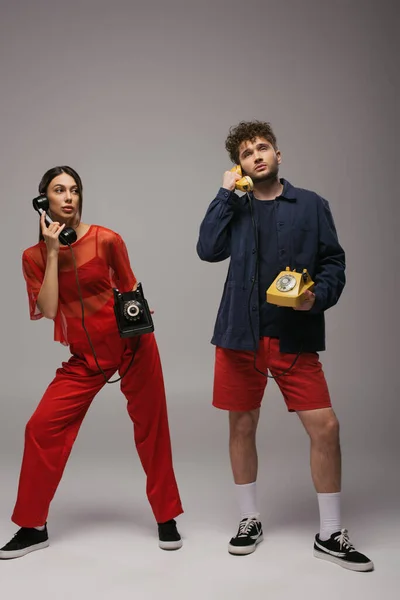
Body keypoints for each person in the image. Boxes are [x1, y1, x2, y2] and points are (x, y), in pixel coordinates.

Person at [196, 121, 373, 572]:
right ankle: (248, 519)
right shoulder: (235, 207)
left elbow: (334, 261)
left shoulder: (312, 205)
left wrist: (319, 296)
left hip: (294, 335)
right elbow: (206, 249)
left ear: (278, 155)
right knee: (242, 426)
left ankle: (331, 532)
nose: (256, 156)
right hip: (240, 335)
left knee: (326, 427)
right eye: (246, 153)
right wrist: (224, 195)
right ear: (238, 166)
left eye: (262, 148)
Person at [0, 166, 183, 559]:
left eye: (74, 190)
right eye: (58, 190)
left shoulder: (106, 239)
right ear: (43, 202)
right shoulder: (32, 258)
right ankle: (33, 526)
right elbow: (48, 309)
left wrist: (138, 310)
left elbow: (130, 285)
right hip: (86, 357)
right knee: (40, 427)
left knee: (153, 428)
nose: (68, 197)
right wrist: (52, 251)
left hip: (133, 347)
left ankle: (166, 515)